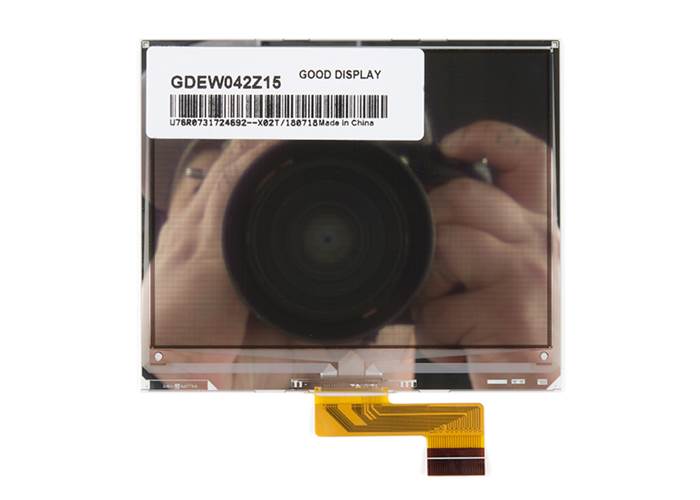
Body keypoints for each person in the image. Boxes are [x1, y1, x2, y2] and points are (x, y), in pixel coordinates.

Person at [142, 121, 559, 389]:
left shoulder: (461, 401)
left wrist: (528, 381)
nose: (283, 242)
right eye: (210, 181)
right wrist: (178, 373)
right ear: (166, 236)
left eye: (356, 197)